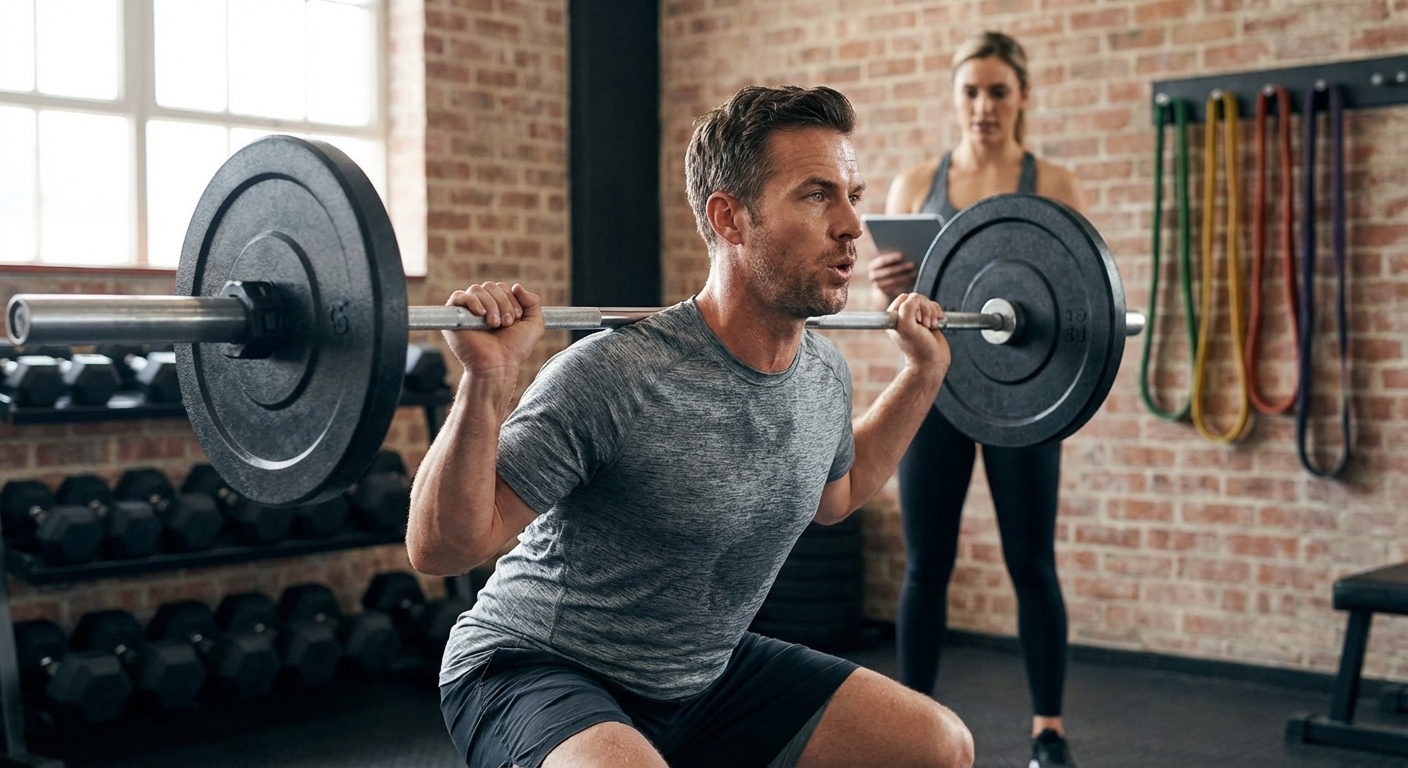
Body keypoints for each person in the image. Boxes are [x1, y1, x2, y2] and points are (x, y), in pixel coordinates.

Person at [410, 85, 975, 768]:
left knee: (937, 747)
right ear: (729, 219)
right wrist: (485, 382)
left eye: (852, 194)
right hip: (539, 664)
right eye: (817, 195)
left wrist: (922, 375)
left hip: (701, 674)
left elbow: (839, 491)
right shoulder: (616, 372)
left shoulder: (823, 373)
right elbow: (441, 548)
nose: (853, 224)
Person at [868, 31, 1089, 768]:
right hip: (933, 393)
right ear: (954, 98)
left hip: (1023, 399)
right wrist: (888, 294)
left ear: (1023, 96)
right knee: (927, 565)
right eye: (970, 91)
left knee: (1032, 563)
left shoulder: (1051, 183)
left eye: (998, 90)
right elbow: (896, 317)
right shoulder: (910, 186)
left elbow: (1077, 297)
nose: (983, 106)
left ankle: (1048, 734)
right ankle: (911, 730)